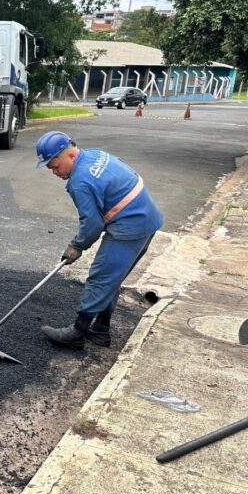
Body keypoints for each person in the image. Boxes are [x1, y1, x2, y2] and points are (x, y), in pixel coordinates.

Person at [35, 131, 164, 348]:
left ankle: (77, 333)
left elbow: (92, 224)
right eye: (50, 169)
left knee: (101, 277)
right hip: (147, 217)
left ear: (70, 155)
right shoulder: (94, 154)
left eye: (55, 166)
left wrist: (77, 246)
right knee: (113, 277)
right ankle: (100, 330)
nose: (54, 172)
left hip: (131, 226)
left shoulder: (80, 182)